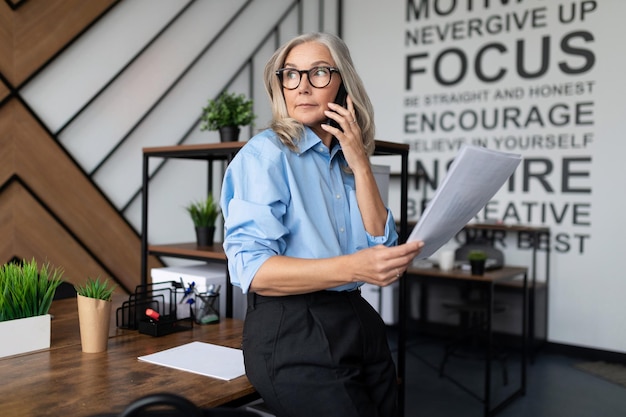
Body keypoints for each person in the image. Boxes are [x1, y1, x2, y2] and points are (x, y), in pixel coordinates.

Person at [220, 32, 424, 417]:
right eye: (291, 74)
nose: (302, 86)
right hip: (294, 328)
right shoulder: (265, 155)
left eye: (318, 73)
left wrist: (361, 160)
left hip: (358, 320)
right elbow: (250, 268)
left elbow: (384, 241)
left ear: (342, 82)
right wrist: (353, 266)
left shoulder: (348, 162)